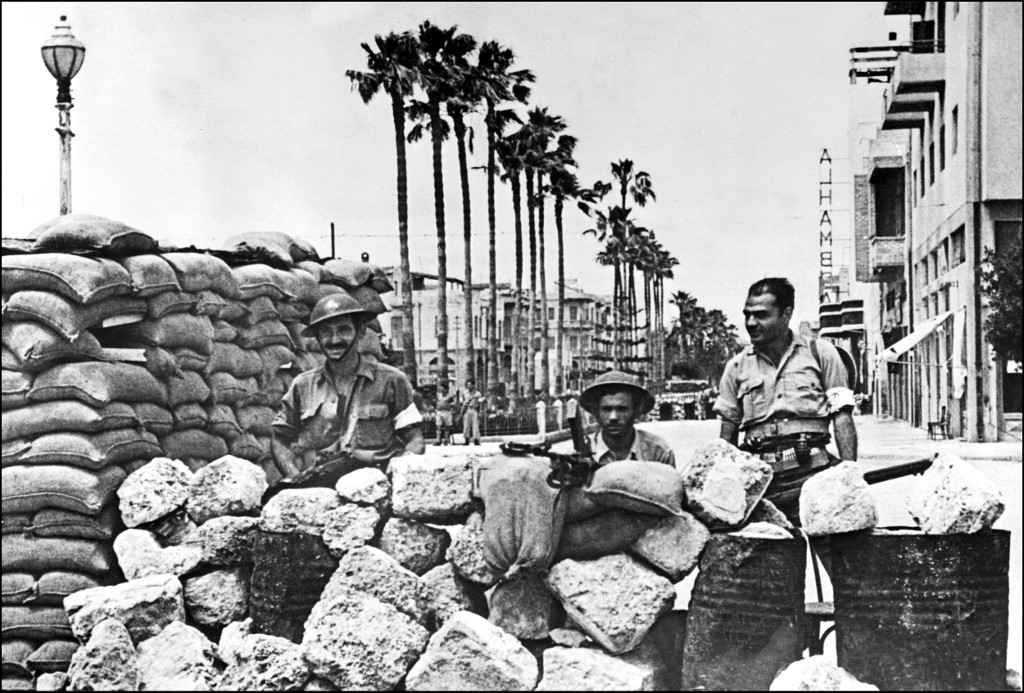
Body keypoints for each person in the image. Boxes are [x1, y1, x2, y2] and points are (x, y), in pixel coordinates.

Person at [714, 277, 858, 521]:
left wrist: (849, 477)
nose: (751, 323)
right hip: (762, 486)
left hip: (816, 476)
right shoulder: (736, 367)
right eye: (747, 314)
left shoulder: (821, 353)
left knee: (832, 555)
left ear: (786, 314)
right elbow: (727, 439)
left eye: (761, 315)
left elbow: (842, 417)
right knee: (771, 556)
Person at [271, 292, 425, 485]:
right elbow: (279, 439)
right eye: (326, 332)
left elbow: (415, 440)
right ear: (317, 338)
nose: (334, 339)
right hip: (321, 490)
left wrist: (397, 473)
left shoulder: (392, 380)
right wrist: (294, 476)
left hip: (374, 488)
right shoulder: (302, 386)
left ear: (360, 332)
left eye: (343, 330)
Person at [579, 370, 676, 467]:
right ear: (596, 412)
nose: (613, 417)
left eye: (622, 409)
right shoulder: (581, 452)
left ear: (636, 411)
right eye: (606, 409)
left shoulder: (657, 452)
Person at [460, 378, 484, 445]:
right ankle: (466, 439)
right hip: (467, 409)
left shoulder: (478, 393)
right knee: (466, 425)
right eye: (467, 385)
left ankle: (476, 439)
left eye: (470, 385)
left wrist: (480, 411)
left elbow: (480, 403)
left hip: (474, 409)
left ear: (473, 385)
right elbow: (462, 402)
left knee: (475, 425)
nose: (468, 386)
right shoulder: (464, 392)